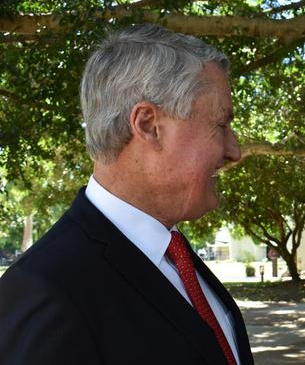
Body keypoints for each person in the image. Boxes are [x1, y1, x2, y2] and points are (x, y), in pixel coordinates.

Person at [0, 24, 254, 365]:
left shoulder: (173, 254)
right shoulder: (46, 290)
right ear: (148, 125)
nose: (234, 151)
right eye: (221, 124)